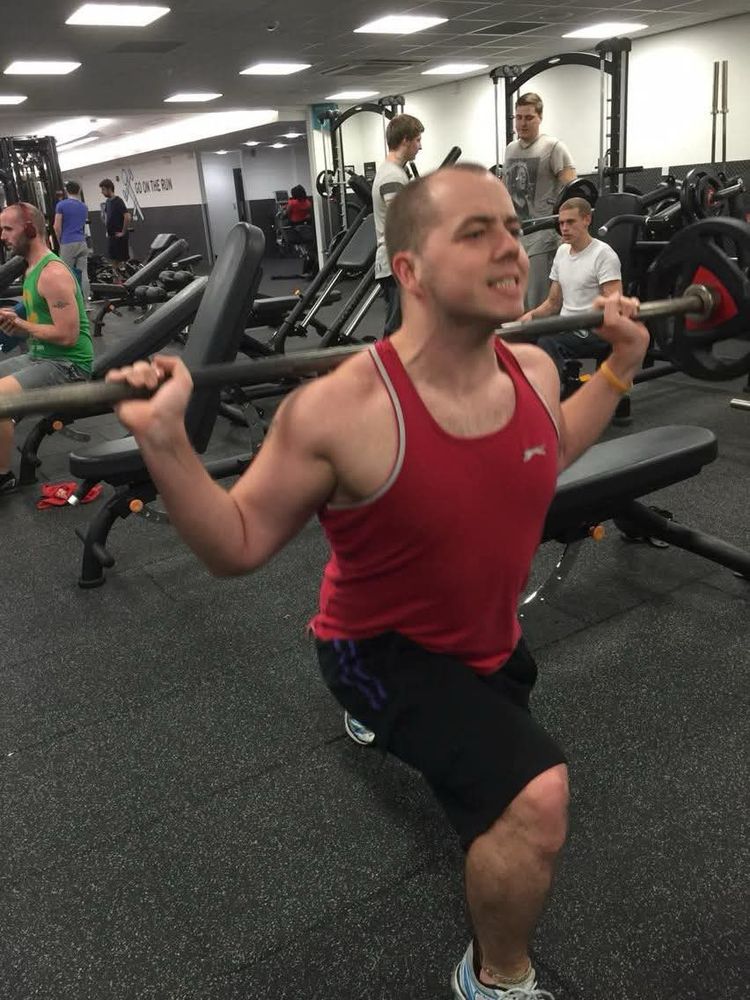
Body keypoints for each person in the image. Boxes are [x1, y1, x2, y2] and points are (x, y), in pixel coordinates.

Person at [106, 165, 649, 999]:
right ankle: (495, 980)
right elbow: (238, 545)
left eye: (513, 227)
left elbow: (551, 448)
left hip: (488, 639)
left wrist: (616, 369)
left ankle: (419, 733)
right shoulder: (339, 410)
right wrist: (167, 444)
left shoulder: (534, 372)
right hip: (377, 648)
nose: (512, 248)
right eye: (476, 232)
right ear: (410, 270)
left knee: (489, 763)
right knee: (536, 799)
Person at [0, 202, 93, 493]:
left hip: (69, 366)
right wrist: (13, 321)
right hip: (42, 357)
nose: (2, 235)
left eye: (7, 228)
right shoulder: (31, 269)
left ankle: (3, 477)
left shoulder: (52, 273)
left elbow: (68, 336)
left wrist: (22, 325)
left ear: (29, 229)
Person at [520, 198, 623, 377]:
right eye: (561, 223)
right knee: (522, 335)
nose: (564, 228)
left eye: (570, 222)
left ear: (587, 220)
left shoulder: (604, 255)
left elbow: (614, 308)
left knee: (548, 343)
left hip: (594, 331)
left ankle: (557, 393)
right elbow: (553, 303)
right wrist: (531, 316)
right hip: (566, 326)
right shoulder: (562, 252)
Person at [503, 93, 576, 312]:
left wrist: (567, 231)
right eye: (518, 117)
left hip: (542, 237)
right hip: (516, 236)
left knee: (538, 301)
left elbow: (572, 192)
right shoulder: (510, 149)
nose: (522, 123)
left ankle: (539, 345)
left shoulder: (553, 147)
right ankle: (516, 345)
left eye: (529, 118)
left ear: (540, 117)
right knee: (516, 300)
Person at [372, 112, 424, 335]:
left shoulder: (395, 172)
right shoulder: (392, 176)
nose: (420, 147)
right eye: (418, 140)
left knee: (406, 327)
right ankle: (385, 369)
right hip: (396, 262)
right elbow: (401, 222)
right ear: (405, 140)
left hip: (398, 261)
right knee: (397, 330)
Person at [53, 179, 90, 298]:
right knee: (83, 273)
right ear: (79, 191)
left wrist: (60, 241)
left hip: (67, 242)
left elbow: (56, 227)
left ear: (66, 190)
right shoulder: (84, 207)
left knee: (66, 274)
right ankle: (86, 303)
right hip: (82, 242)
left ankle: (70, 301)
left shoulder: (61, 205)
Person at [99, 178, 131, 277]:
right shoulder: (108, 202)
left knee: (121, 260)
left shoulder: (118, 201)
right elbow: (108, 218)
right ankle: (117, 280)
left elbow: (127, 216)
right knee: (112, 259)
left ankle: (126, 278)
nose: (102, 192)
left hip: (119, 236)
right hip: (112, 235)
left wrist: (123, 232)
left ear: (109, 189)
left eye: (103, 189)